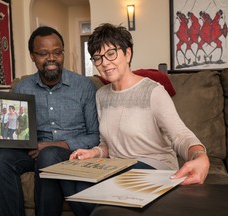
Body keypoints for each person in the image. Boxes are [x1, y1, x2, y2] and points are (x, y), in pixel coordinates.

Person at [70, 23, 210, 185]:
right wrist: (93, 153)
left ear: (127, 54)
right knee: (74, 181)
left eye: (111, 53)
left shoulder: (153, 91)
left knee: (110, 181)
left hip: (154, 166)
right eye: (98, 58)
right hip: (116, 167)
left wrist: (200, 156)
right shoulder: (101, 95)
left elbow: (180, 135)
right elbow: (108, 144)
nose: (105, 62)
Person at [0, 26, 100, 216]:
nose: (51, 59)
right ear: (32, 56)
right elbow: (12, 128)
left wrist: (58, 144)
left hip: (69, 154)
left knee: (48, 154)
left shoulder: (83, 86)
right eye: (43, 53)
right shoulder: (22, 87)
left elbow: (95, 135)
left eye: (57, 52)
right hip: (32, 151)